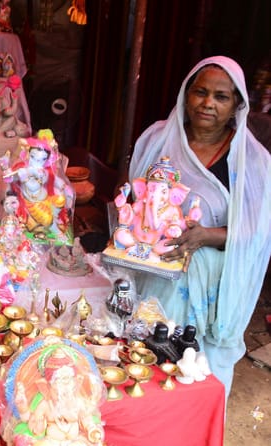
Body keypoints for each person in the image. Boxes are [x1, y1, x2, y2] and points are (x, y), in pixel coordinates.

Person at [127, 56, 271, 398]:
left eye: (221, 97)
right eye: (201, 92)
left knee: (192, 364)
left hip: (211, 273)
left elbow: (259, 232)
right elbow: (135, 199)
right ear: (185, 95)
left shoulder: (251, 159)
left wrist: (207, 236)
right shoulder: (157, 139)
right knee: (143, 354)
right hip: (152, 262)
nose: (208, 103)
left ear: (236, 105)